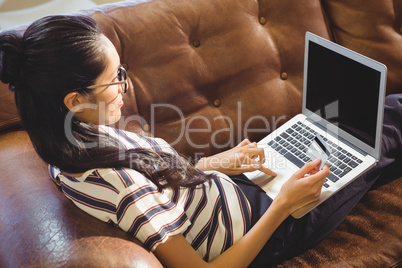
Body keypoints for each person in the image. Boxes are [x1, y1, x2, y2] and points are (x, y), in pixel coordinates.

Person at [0, 15, 400, 267]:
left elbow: (160, 183)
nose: (125, 85)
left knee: (373, 124)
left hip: (242, 191)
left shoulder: (74, 139)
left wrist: (219, 162)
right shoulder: (115, 184)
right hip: (270, 229)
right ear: (75, 100)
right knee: (378, 134)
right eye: (115, 78)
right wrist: (283, 205)